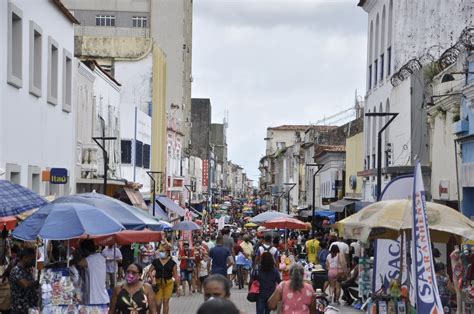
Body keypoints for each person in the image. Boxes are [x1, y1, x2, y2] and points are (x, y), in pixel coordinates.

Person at [148, 245, 180, 314]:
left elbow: (176, 275)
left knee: (166, 302)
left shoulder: (172, 263)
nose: (161, 253)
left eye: (163, 251)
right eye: (161, 251)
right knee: (158, 303)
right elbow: (149, 271)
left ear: (167, 253)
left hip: (168, 284)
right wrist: (153, 279)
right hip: (158, 284)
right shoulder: (156, 261)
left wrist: (178, 287)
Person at [78, 239, 109, 306]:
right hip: (103, 297)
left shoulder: (89, 259)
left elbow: (79, 264)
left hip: (94, 299)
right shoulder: (101, 257)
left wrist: (77, 252)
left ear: (85, 250)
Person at [9, 248, 39, 314]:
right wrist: (38, 281)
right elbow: (25, 284)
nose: (32, 261)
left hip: (28, 305)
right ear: (24, 258)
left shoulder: (26, 269)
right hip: (20, 307)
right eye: (31, 259)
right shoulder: (16, 270)